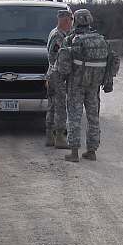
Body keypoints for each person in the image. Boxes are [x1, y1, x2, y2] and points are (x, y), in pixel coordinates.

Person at [57, 9, 112, 162]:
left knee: (74, 116)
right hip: (94, 85)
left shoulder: (71, 39)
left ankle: (74, 152)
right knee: (93, 117)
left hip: (76, 84)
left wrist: (62, 79)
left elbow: (63, 63)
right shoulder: (101, 40)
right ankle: (92, 151)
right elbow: (110, 61)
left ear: (77, 21)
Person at [45, 9, 72, 149]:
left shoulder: (54, 32)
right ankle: (60, 138)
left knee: (52, 105)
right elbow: (53, 56)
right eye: (70, 20)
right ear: (65, 20)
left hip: (51, 73)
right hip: (57, 74)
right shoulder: (59, 36)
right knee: (60, 106)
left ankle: (49, 136)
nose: (71, 24)